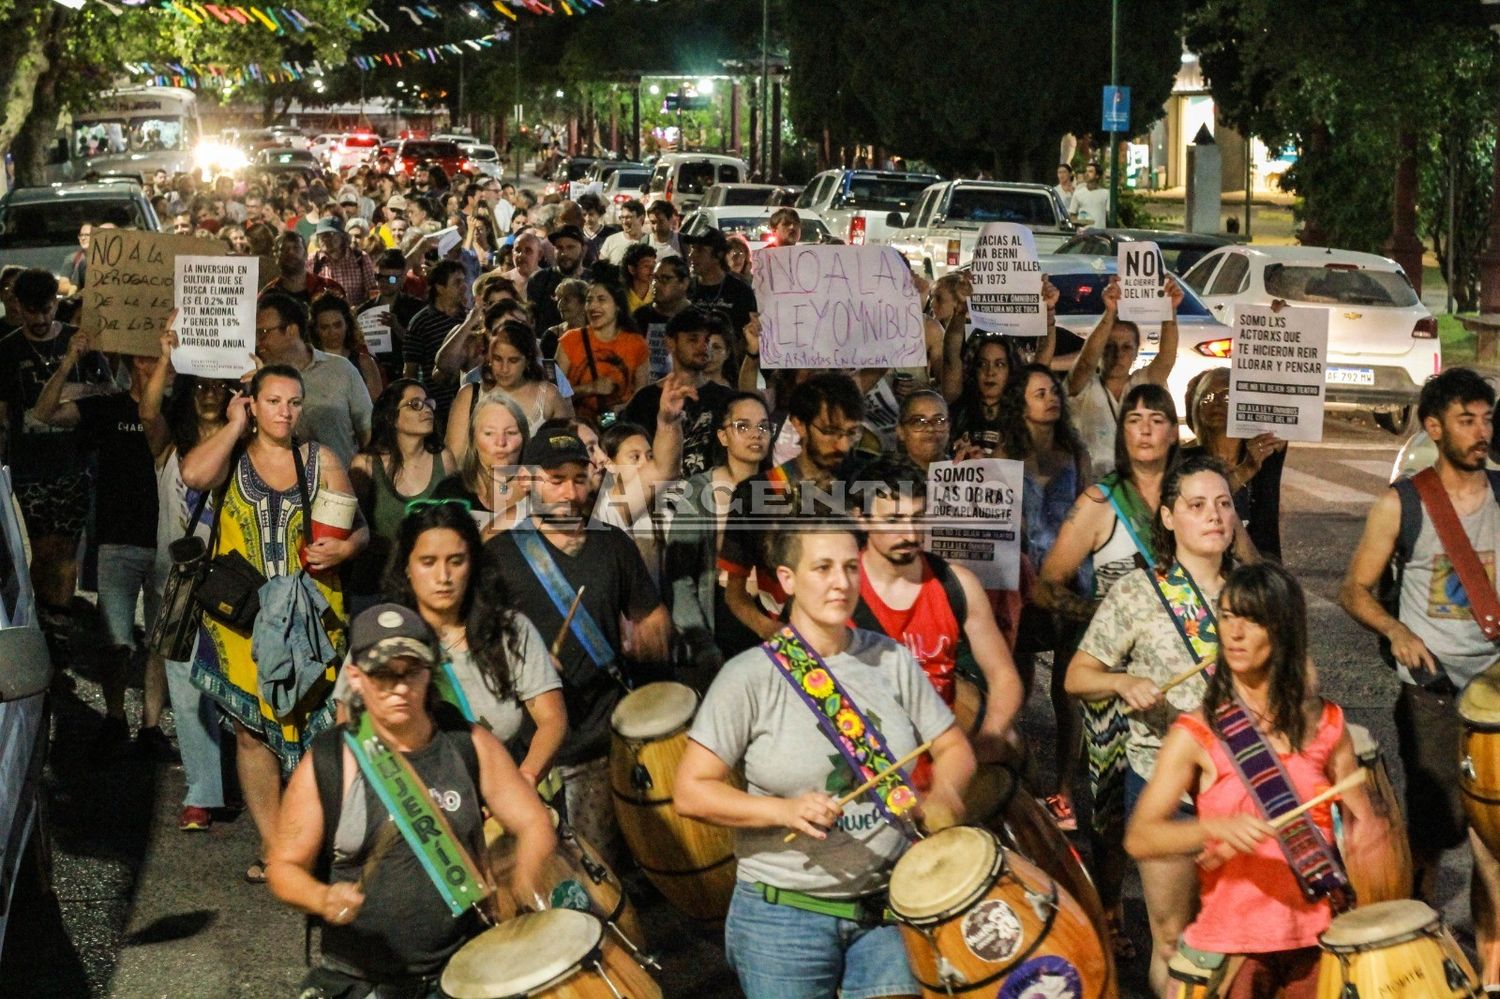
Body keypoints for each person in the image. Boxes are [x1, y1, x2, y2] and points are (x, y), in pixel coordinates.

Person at [674, 516, 976, 999]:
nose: (841, 582)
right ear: (787, 580)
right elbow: (691, 790)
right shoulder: (748, 676)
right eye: (822, 569)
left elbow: (951, 746)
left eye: (850, 567)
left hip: (888, 906)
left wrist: (946, 792)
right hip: (782, 916)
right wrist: (782, 810)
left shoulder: (892, 660)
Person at [268, 603, 557, 997]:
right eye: (383, 674)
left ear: (430, 673)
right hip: (361, 977)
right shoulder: (331, 761)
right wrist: (321, 896)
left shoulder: (468, 744)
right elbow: (283, 867)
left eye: (412, 672)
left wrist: (523, 882)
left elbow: (533, 821)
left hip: (459, 968)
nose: (400, 687)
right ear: (355, 677)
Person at [1127, 562, 1381, 999]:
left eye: (1252, 619)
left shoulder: (1327, 725)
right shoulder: (1197, 733)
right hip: (1234, 948)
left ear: (1281, 629)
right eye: (1227, 616)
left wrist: (1372, 839)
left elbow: (1364, 832)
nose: (1234, 633)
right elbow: (1140, 837)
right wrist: (1213, 828)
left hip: (1317, 940)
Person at [1339, 366, 1500, 985]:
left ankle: (1490, 968)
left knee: (1492, 840)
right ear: (1434, 427)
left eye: (1486, 418)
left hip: (1493, 692)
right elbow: (1352, 588)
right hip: (1430, 695)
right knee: (1435, 836)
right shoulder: (1402, 502)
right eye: (1467, 419)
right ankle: (1418, 962)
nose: (1481, 431)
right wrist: (1398, 632)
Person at [182, 363, 368, 884]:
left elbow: (362, 527)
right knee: (250, 734)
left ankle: (321, 840)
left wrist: (348, 546)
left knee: (323, 732)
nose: (285, 412)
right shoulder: (232, 457)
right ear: (254, 405)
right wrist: (233, 425)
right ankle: (274, 847)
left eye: (293, 402)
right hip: (243, 622)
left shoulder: (319, 460)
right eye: (273, 401)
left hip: (310, 618)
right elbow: (194, 476)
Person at [1065, 453, 1244, 993]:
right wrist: (1121, 684)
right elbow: (1077, 675)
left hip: (1243, 782)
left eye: (1223, 504)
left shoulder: (1257, 591)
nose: (1213, 516)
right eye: (1196, 506)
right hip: (1166, 784)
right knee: (1173, 938)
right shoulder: (1139, 593)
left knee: (1243, 936)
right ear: (1167, 518)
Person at [1035, 384, 1186, 943]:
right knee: (1108, 803)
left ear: (1174, 430)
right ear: (1122, 433)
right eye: (1134, 419)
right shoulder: (1100, 502)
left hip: (1184, 672)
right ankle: (1110, 909)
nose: (1146, 429)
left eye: (1158, 419)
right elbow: (1047, 584)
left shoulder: (1193, 495)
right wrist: (1102, 612)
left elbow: (1242, 562)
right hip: (1117, 677)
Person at [481, 427, 672, 858]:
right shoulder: (501, 557)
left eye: (579, 478)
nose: (569, 491)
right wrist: (523, 667)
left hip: (598, 744)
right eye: (556, 479)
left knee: (596, 870)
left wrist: (650, 635)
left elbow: (652, 617)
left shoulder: (613, 546)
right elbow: (477, 647)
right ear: (529, 480)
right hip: (528, 747)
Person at [343, 504, 567, 779]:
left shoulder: (510, 630)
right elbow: (349, 725)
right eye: (428, 562)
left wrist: (526, 779)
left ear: (472, 565)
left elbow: (552, 719)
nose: (443, 577)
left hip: (501, 796)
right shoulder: (379, 636)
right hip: (412, 805)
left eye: (456, 561)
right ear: (407, 569)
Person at [34, 325, 174, 756]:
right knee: (116, 642)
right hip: (117, 540)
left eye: (163, 360)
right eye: (150, 358)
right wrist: (69, 359)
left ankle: (151, 726)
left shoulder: (177, 411)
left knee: (160, 641)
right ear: (135, 363)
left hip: (166, 539)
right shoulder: (109, 407)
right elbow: (44, 413)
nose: (158, 367)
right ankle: (115, 717)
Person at [853, 458, 1023, 759]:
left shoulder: (956, 585)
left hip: (942, 761)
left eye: (918, 518)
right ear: (861, 519)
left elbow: (1004, 676)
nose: (910, 535)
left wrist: (988, 739)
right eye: (893, 521)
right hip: (864, 767)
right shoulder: (838, 590)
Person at [0, 268, 114, 660]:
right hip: (30, 466)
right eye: (33, 312)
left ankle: (58, 631)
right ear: (18, 307)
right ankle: (44, 617)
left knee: (65, 548)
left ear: (55, 303)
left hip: (73, 461)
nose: (41, 320)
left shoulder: (75, 341)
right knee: (43, 549)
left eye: (47, 310)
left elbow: (105, 390)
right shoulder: (8, 349)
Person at [141, 345, 233, 829]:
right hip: (179, 586)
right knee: (186, 686)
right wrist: (165, 357)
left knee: (237, 685)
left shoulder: (247, 448)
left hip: (237, 586)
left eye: (218, 385)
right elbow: (148, 410)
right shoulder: (170, 450)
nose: (209, 393)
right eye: (200, 385)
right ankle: (202, 792)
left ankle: (240, 780)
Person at [720, 373, 867, 647]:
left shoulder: (868, 486)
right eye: (829, 432)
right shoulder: (755, 494)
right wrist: (768, 629)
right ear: (798, 424)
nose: (843, 445)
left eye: (851, 433)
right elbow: (735, 593)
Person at [665, 392, 772, 677]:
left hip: (772, 617)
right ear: (723, 436)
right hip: (720, 619)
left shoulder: (782, 486)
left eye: (763, 426)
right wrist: (701, 643)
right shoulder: (699, 491)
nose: (755, 434)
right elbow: (680, 576)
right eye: (743, 426)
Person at [348, 380, 456, 613]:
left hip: (431, 587)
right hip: (377, 587)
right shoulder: (365, 465)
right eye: (415, 404)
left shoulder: (444, 459)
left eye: (428, 403)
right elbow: (355, 527)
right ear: (391, 417)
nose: (426, 409)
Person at [1066, 275, 1183, 482]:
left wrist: (1170, 311)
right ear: (1100, 350)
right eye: (1109, 347)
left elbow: (1166, 359)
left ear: (1137, 352)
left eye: (1126, 347)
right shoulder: (1083, 387)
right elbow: (1085, 363)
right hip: (1092, 489)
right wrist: (1109, 312)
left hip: (1136, 488)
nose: (1118, 355)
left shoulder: (1141, 384)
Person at [256, 292, 374, 468]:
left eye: (264, 332)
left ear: (291, 330)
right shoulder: (258, 379)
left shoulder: (341, 369)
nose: (259, 341)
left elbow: (368, 432)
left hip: (340, 486)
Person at [1183, 366, 1287, 560]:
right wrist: (1244, 471)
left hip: (1261, 573)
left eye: (1227, 397)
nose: (1216, 404)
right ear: (1196, 407)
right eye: (1207, 397)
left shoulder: (1267, 454)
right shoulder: (1184, 459)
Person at [622, 308, 737, 479]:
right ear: (670, 343)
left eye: (706, 340)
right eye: (693, 339)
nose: (703, 347)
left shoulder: (726, 398)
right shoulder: (644, 400)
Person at [449, 316, 570, 464]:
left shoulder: (549, 396)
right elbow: (454, 460)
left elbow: (567, 452)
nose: (504, 368)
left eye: (513, 360)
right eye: (498, 359)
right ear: (488, 358)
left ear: (527, 360)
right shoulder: (469, 395)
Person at [434, 390, 530, 535]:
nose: (501, 442)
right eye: (489, 433)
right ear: (473, 440)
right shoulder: (450, 493)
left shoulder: (542, 492)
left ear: (524, 438)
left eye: (511, 433)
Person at [556, 281, 649, 421]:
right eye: (589, 300)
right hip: (576, 426)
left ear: (617, 305)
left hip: (618, 429)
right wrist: (589, 388)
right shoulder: (570, 340)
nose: (593, 306)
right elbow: (554, 394)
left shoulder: (636, 344)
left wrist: (613, 416)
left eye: (601, 299)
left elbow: (641, 394)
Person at [401, 259, 470, 424]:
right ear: (440, 287)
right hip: (435, 409)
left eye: (464, 281)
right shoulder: (421, 323)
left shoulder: (468, 319)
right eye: (457, 282)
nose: (464, 286)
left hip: (466, 404)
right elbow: (410, 370)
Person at [684, 227, 759, 344]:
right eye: (692, 249)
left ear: (718, 255)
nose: (692, 256)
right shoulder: (685, 288)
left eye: (700, 250)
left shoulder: (740, 291)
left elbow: (749, 334)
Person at [311, 295, 384, 403]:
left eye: (337, 325)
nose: (332, 332)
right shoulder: (308, 362)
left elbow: (377, 405)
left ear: (347, 325)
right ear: (316, 329)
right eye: (325, 327)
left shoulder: (364, 362)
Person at [526, 224, 588, 332]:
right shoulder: (539, 280)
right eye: (559, 248)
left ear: (583, 249)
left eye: (570, 247)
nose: (564, 253)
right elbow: (531, 319)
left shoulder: (593, 280)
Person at [261, 229, 347, 306]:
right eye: (284, 249)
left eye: (296, 248)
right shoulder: (268, 296)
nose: (291, 253)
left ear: (306, 254)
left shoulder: (329, 288)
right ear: (276, 257)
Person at [311, 216, 379, 305]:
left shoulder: (360, 258)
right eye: (321, 235)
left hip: (356, 314)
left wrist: (361, 308)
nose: (325, 239)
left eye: (330, 234)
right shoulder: (313, 260)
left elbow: (373, 292)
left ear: (342, 237)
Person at [893, 389, 951, 471]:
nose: (930, 428)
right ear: (901, 432)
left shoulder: (966, 472)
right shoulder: (879, 476)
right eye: (918, 421)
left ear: (948, 427)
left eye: (938, 420)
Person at [599, 198, 646, 266]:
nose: (624, 222)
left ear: (641, 219)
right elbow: (601, 269)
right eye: (622, 218)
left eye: (628, 217)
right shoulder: (611, 240)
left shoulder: (649, 241)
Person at [1068, 162, 1110, 227]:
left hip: (1100, 233)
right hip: (1083, 234)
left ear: (1097, 176)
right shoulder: (1078, 193)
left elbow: (1108, 215)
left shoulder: (1105, 193)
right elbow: (1072, 214)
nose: (1086, 174)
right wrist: (1080, 223)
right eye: (1086, 171)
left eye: (1090, 171)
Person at [621, 242, 657, 315]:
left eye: (654, 265)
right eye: (646, 266)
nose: (652, 269)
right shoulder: (620, 298)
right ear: (632, 269)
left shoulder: (658, 296)